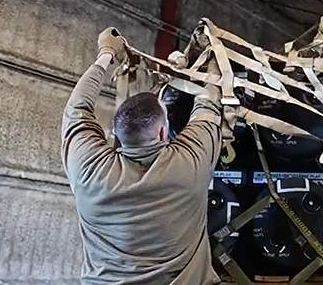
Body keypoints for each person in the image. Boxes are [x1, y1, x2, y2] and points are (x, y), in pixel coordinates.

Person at [62, 27, 237, 284]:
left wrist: (106, 54)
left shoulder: (89, 171)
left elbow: (77, 109)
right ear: (163, 131)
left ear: (116, 132)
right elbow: (208, 104)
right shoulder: (187, 165)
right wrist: (213, 57)